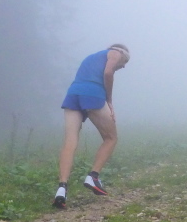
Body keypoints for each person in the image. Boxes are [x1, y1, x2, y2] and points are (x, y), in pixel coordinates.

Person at [52, 44, 130, 208]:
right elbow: (108, 73)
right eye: (125, 61)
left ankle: (62, 188)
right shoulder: (115, 52)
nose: (123, 66)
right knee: (111, 138)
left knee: (70, 142)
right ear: (121, 53)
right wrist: (109, 100)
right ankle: (93, 176)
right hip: (93, 94)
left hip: (73, 94)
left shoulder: (91, 57)